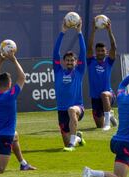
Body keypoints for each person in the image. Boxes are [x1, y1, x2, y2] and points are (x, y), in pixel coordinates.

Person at [53, 20, 86, 152]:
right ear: (64, 62)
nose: (70, 62)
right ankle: (77, 138)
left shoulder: (79, 71)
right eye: (67, 60)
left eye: (72, 60)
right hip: (61, 109)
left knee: (72, 110)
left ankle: (73, 144)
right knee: (65, 143)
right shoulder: (58, 70)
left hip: (78, 108)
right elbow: (56, 52)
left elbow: (83, 51)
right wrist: (63, 32)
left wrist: (79, 33)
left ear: (76, 62)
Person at [87, 18, 118, 131]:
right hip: (95, 98)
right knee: (98, 126)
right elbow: (89, 47)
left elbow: (114, 46)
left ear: (106, 52)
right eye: (98, 51)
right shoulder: (91, 61)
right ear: (96, 52)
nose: (100, 52)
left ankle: (107, 123)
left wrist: (109, 31)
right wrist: (93, 30)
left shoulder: (109, 62)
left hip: (108, 95)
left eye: (102, 51)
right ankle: (109, 115)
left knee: (104, 94)